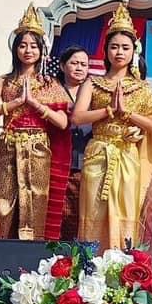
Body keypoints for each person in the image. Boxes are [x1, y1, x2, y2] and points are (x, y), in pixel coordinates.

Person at [72, 4, 152, 251]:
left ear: (133, 52)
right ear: (106, 51)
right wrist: (108, 112)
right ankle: (90, 268)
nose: (119, 52)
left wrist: (130, 115)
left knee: (125, 211)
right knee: (93, 210)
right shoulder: (93, 83)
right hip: (98, 152)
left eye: (125, 47)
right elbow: (78, 117)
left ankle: (121, 270)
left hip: (127, 155)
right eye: (114, 47)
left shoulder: (142, 88)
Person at [0, 4, 73, 240]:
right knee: (3, 202)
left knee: (34, 202)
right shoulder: (4, 81)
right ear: (15, 49)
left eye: (33, 46)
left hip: (38, 148)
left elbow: (63, 122)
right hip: (8, 147)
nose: (28, 50)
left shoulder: (50, 84)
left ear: (42, 51)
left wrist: (36, 105)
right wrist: (14, 104)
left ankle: (30, 261)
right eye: (23, 45)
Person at [57, 47, 92, 241]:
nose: (79, 68)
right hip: (58, 160)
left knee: (81, 216)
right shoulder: (52, 89)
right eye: (74, 63)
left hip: (86, 162)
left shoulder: (94, 92)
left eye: (84, 65)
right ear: (62, 65)